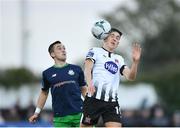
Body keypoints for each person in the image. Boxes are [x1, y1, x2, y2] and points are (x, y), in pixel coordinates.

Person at [81, 28, 142, 127]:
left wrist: (135, 62)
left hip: (111, 102)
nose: (115, 39)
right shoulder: (95, 51)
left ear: (118, 43)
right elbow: (87, 68)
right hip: (94, 99)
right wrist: (90, 83)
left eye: (117, 38)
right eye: (112, 36)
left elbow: (130, 77)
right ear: (105, 38)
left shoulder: (119, 59)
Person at [29, 41, 87, 127]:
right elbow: (44, 93)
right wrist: (36, 113)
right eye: (59, 48)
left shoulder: (76, 69)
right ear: (52, 54)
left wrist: (92, 106)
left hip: (80, 114)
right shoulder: (47, 73)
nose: (63, 50)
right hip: (60, 117)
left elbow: (84, 89)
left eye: (64, 48)